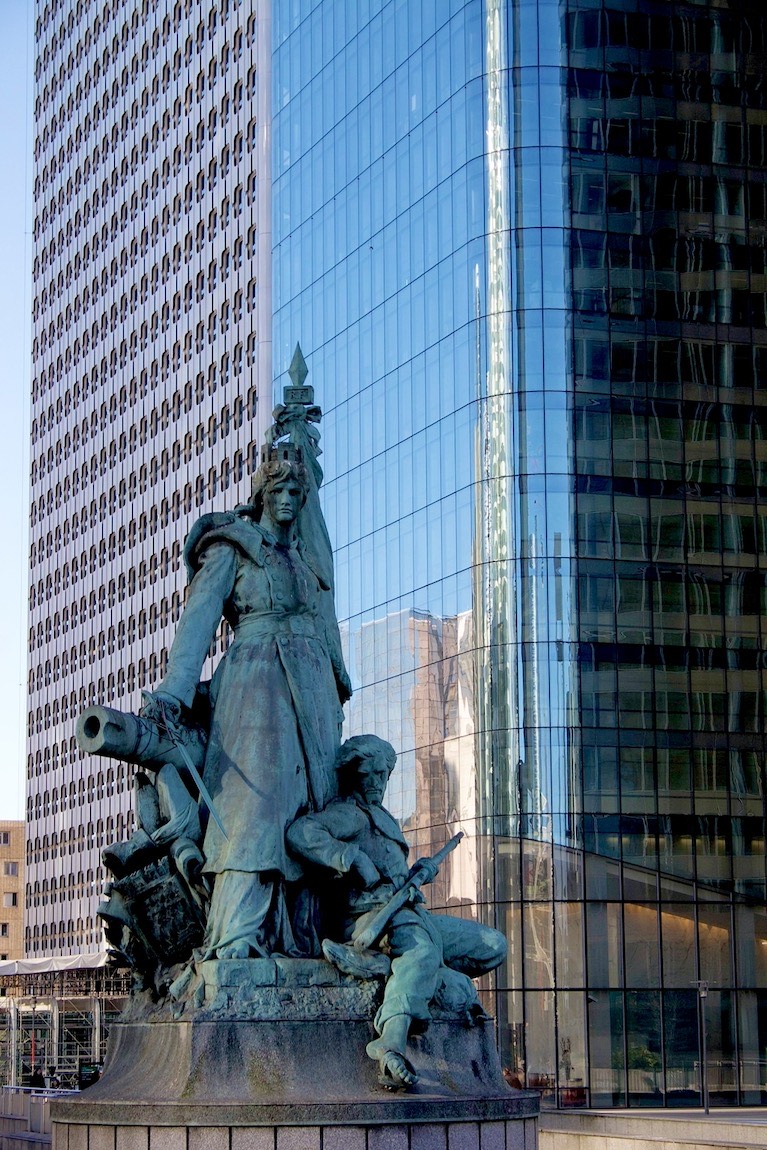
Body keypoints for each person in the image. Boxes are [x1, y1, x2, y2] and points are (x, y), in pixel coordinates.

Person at [144, 428, 351, 960]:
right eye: (279, 491)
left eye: (296, 494)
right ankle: (237, 936)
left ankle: (304, 941)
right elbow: (197, 624)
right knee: (252, 810)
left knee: (310, 807)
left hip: (311, 693)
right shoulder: (232, 548)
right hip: (256, 688)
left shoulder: (305, 560)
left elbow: (322, 622)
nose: (288, 502)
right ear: (262, 492)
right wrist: (174, 692)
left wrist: (335, 676)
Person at [287, 735, 507, 1089]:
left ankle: (414, 973)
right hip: (374, 916)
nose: (376, 783)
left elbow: (393, 874)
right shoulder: (349, 814)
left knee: (492, 944)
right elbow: (301, 832)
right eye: (368, 775)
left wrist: (417, 872)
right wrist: (351, 858)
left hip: (410, 914)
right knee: (419, 953)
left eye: (382, 774)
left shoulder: (383, 817)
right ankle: (390, 1041)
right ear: (353, 777)